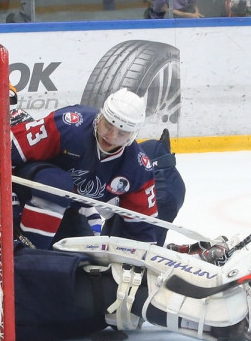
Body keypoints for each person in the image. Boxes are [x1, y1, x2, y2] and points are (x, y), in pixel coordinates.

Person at [11, 89, 163, 249]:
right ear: (100, 116)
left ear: (132, 134)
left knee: (84, 257)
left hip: (65, 211)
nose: (111, 136)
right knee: (56, 183)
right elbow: (5, 151)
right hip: (25, 191)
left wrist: (143, 259)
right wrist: (8, 200)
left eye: (122, 133)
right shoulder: (68, 124)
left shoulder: (138, 168)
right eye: (108, 125)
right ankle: (29, 256)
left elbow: (143, 230)